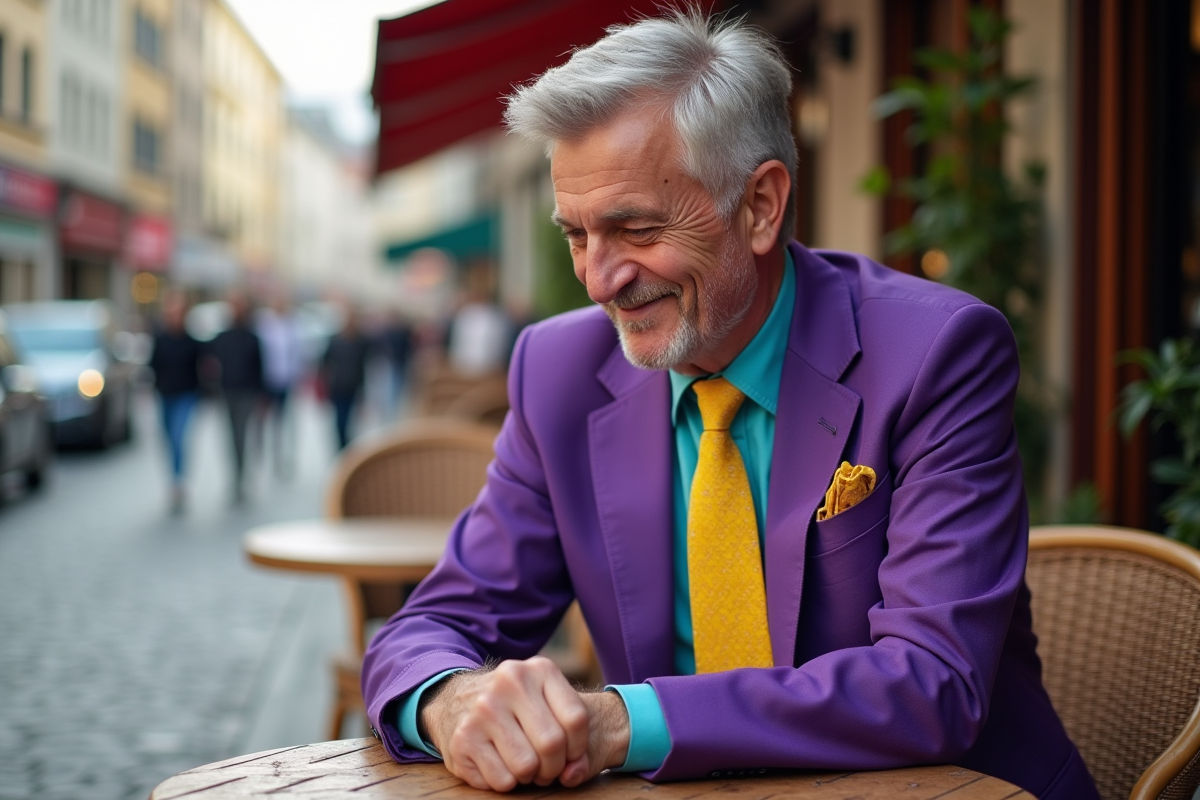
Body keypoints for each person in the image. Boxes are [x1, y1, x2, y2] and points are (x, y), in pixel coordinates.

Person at [361, 11, 1098, 800]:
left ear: (761, 206)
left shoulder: (937, 354)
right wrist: (450, 699)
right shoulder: (557, 371)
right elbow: (432, 627)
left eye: (635, 229)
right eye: (576, 235)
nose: (600, 280)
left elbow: (931, 682)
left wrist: (621, 722)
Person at [148, 288, 203, 514]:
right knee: (168, 440)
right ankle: (173, 477)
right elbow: (152, 366)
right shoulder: (160, 339)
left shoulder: (192, 341)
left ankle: (178, 483)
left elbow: (202, 368)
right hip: (165, 396)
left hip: (186, 395)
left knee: (179, 438)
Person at [209, 290, 264, 503]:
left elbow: (259, 368)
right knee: (230, 437)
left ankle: (240, 478)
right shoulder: (222, 337)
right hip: (227, 392)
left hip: (247, 393)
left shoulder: (252, 337)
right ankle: (234, 476)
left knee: (241, 435)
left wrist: (261, 395)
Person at [255, 291, 305, 478]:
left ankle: (282, 457)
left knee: (283, 422)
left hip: (287, 380)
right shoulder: (264, 324)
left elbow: (299, 353)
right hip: (267, 381)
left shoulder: (294, 324)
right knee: (263, 422)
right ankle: (262, 457)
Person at [320, 306, 369, 450]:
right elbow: (325, 363)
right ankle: (341, 446)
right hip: (338, 386)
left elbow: (362, 368)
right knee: (340, 420)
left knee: (349, 420)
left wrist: (363, 392)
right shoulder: (335, 341)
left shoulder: (360, 343)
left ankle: (345, 446)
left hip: (352, 386)